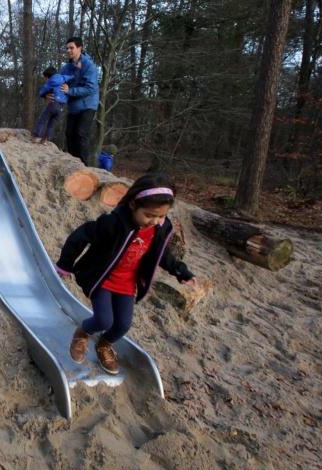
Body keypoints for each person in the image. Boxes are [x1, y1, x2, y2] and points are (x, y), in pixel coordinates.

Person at [55, 174, 197, 374]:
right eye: (149, 215)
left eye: (161, 216)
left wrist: (180, 271)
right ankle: (82, 333)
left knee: (122, 325)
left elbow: (162, 254)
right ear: (133, 204)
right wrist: (65, 264)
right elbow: (81, 235)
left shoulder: (158, 229)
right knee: (104, 320)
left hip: (127, 283)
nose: (155, 221)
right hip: (103, 278)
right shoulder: (113, 223)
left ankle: (104, 344)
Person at [52, 37, 98, 166]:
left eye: (71, 48)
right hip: (73, 106)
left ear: (80, 48)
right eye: (67, 48)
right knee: (69, 134)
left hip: (88, 104)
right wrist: (50, 94)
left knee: (81, 133)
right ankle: (73, 164)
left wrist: (69, 91)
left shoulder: (89, 66)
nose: (68, 50)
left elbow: (90, 88)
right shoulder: (66, 68)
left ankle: (84, 166)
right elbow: (58, 83)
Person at [31, 66, 73, 145]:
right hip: (61, 108)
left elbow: (42, 91)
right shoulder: (62, 78)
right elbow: (71, 77)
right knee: (51, 124)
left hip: (53, 104)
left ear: (47, 77)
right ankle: (45, 140)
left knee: (42, 120)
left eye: (45, 78)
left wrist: (43, 94)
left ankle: (35, 137)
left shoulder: (50, 82)